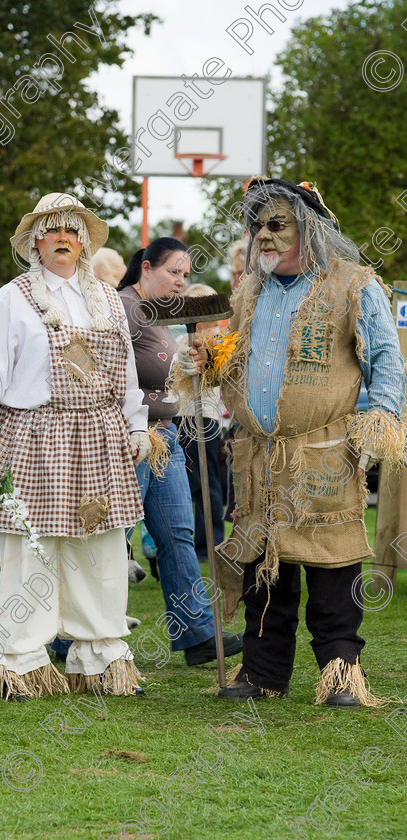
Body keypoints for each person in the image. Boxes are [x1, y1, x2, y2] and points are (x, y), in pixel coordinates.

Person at [181, 178, 406, 706]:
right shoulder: (250, 291)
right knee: (264, 568)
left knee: (332, 566)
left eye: (276, 224)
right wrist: (204, 365)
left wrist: (381, 418)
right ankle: (261, 675)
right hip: (257, 456)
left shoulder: (355, 284)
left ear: (309, 228)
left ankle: (341, 677)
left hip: (322, 452)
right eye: (256, 226)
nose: (263, 236)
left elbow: (386, 361)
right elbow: (231, 357)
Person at [0, 193, 150, 700]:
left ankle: (99, 658)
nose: (63, 238)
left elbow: (128, 372)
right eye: (52, 230)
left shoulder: (108, 299)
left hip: (100, 435)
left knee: (101, 546)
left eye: (72, 230)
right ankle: (18, 663)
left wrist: (136, 425)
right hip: (36, 436)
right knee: (30, 550)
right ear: (34, 241)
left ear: (85, 241)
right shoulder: (11, 297)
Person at [117, 238, 243, 666]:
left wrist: (189, 369)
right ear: (146, 267)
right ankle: (77, 636)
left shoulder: (160, 313)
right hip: (129, 439)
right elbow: (114, 379)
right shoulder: (123, 308)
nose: (181, 281)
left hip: (166, 436)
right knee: (113, 537)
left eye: (186, 274)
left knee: (178, 533)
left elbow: (161, 374)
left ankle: (197, 633)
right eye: (174, 271)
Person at [175, 283, 227, 557]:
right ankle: (194, 539)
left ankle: (210, 543)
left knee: (205, 484)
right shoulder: (182, 340)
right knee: (187, 485)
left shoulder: (217, 341)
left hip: (203, 419)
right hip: (179, 417)